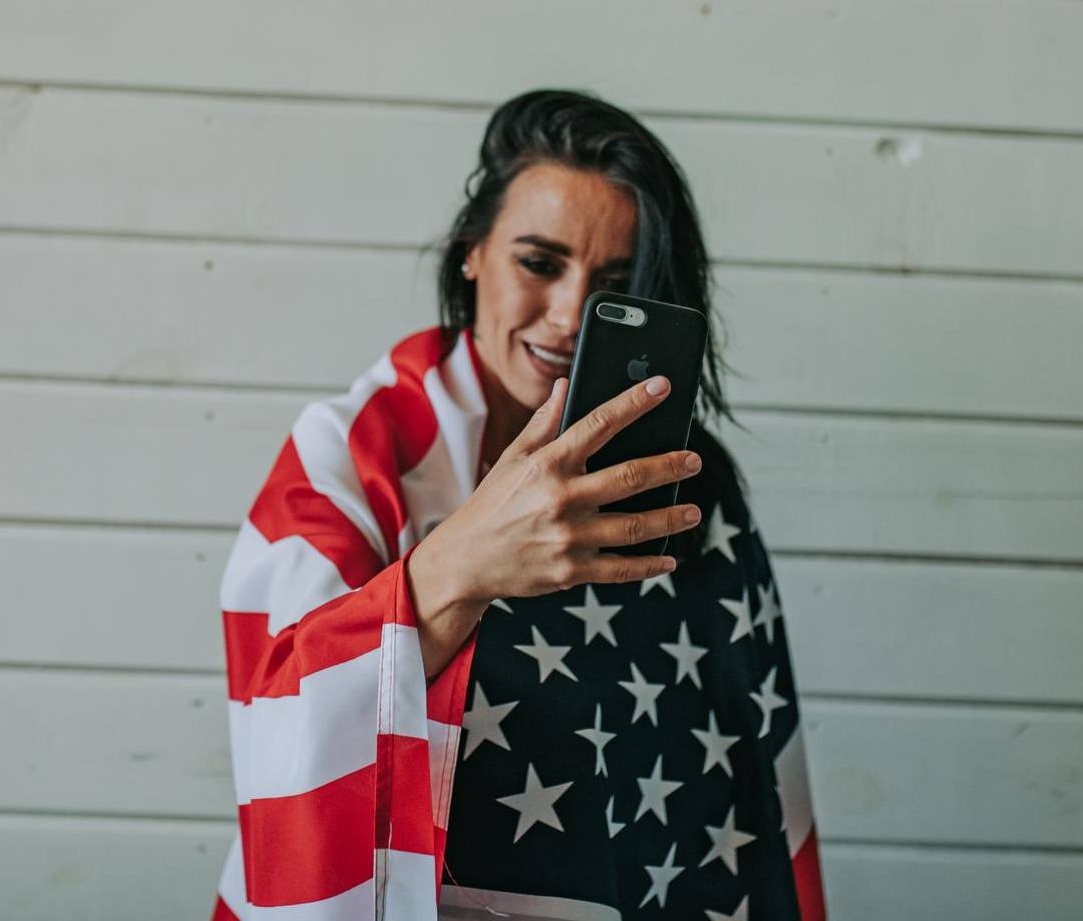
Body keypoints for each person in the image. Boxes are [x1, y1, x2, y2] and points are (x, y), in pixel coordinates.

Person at [214, 91, 824, 921]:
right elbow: (277, 724)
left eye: (614, 285)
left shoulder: (684, 478)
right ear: (471, 253)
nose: (569, 316)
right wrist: (460, 568)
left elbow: (743, 774)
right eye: (539, 263)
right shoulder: (351, 456)